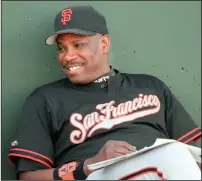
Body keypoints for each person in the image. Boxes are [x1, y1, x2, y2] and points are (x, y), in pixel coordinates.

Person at [8, 5, 201, 180]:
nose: (67, 56)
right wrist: (88, 165)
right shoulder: (45, 99)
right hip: (97, 176)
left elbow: (193, 152)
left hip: (162, 171)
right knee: (173, 153)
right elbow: (29, 178)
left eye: (78, 45)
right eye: (61, 48)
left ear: (104, 44)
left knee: (176, 152)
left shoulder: (150, 86)